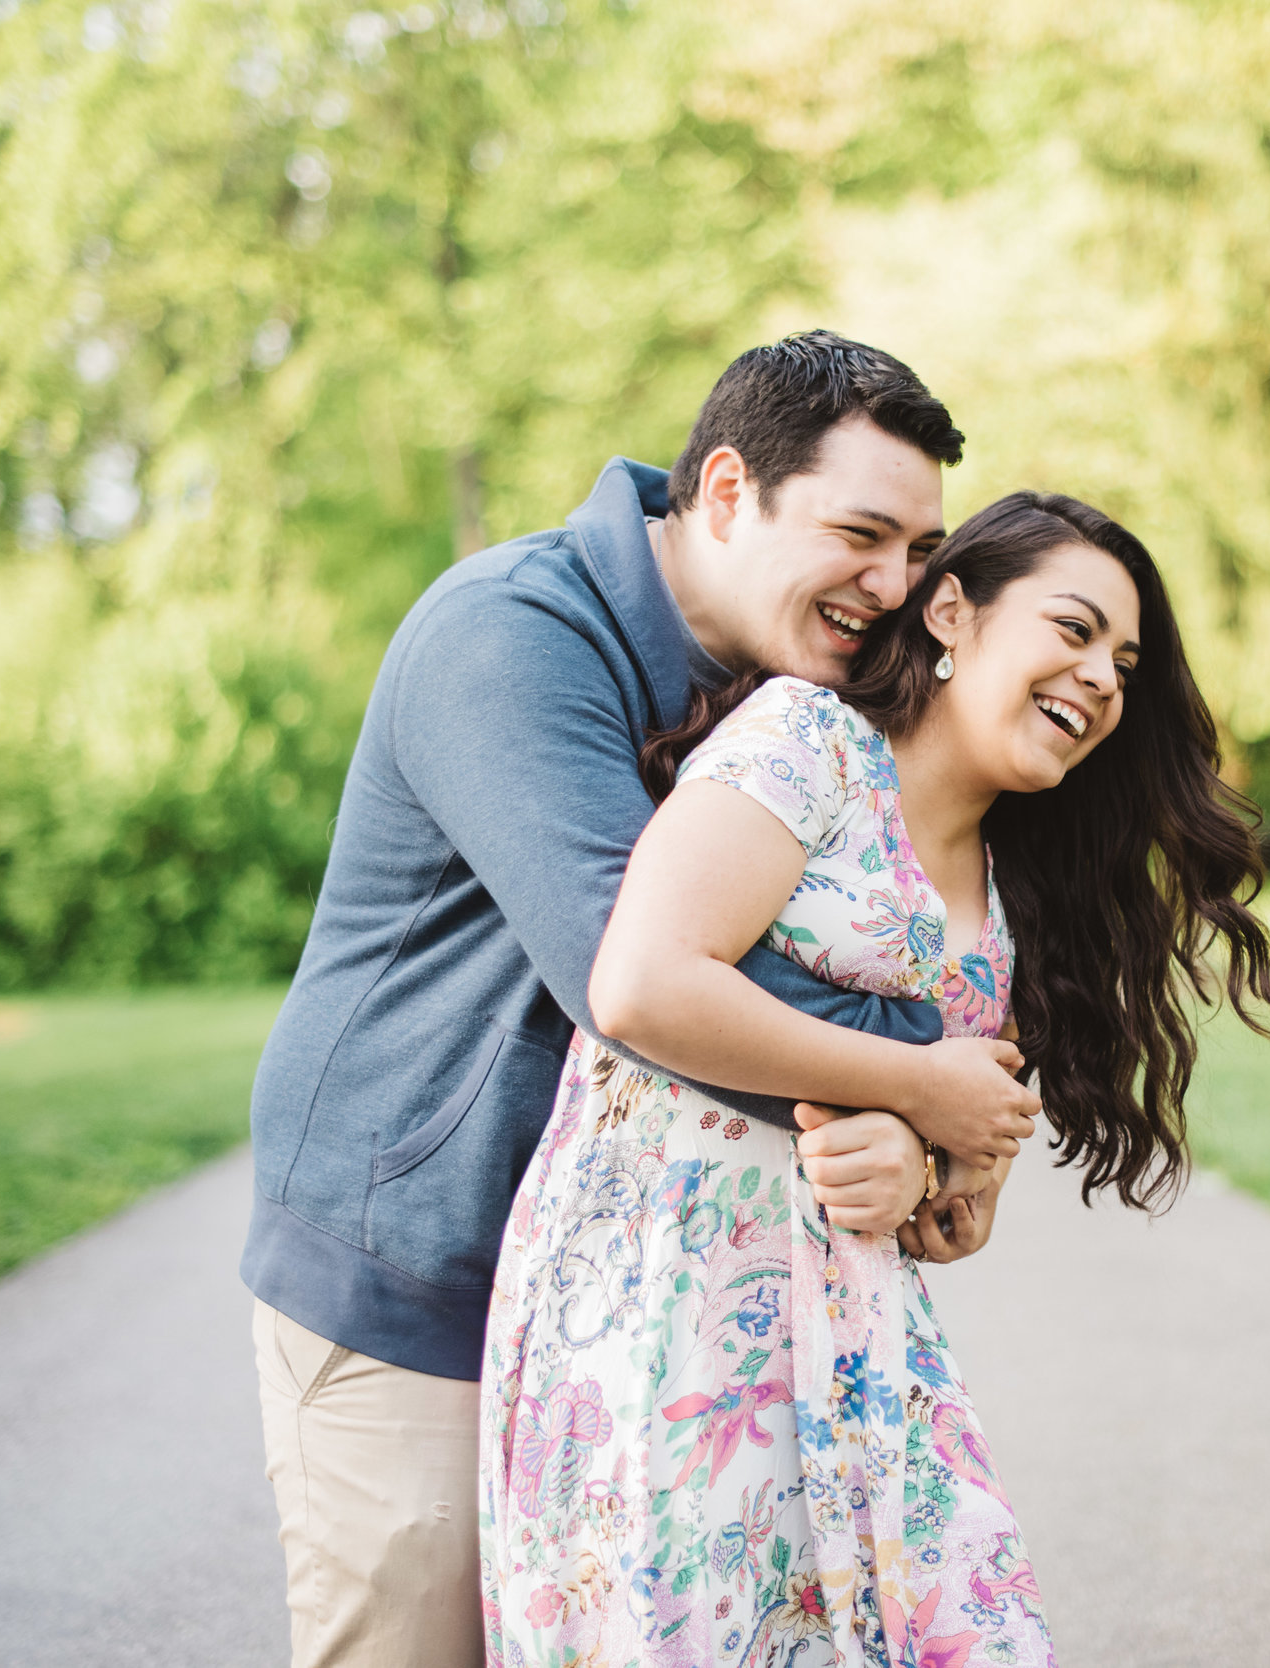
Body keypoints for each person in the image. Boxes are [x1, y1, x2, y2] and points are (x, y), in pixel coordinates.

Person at [241, 332, 1041, 1667]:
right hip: (415, 1274)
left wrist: (942, 1119)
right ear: (727, 490)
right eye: (862, 534)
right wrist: (927, 1082)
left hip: (619, 1310)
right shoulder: (509, 636)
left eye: (917, 550)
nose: (894, 586)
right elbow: (641, 977)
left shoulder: (787, 693)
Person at [479, 492, 1270, 1666]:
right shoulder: (807, 745)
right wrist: (915, 1092)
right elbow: (643, 983)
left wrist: (937, 1184)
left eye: (1123, 661)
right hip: (665, 1317)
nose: (1103, 678)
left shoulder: (1013, 885)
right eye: (1071, 630)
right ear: (950, 614)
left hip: (860, 1353)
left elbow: (955, 1176)